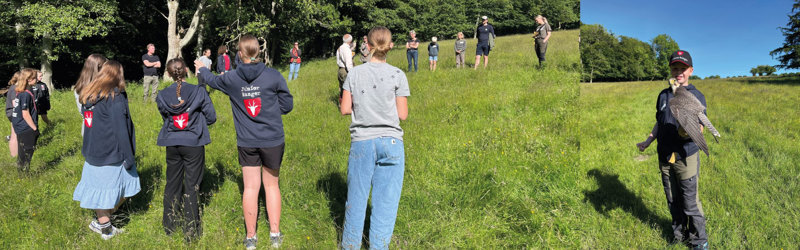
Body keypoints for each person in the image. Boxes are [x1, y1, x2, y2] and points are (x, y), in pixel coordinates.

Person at [195, 34, 293, 249]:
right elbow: (287, 106)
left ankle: (251, 238)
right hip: (272, 138)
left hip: (247, 140)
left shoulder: (231, 78)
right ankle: (275, 234)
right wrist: (268, 110)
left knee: (250, 187)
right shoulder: (273, 76)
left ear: (239, 54)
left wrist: (201, 68)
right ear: (258, 51)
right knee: (272, 185)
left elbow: (210, 80)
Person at [339, 26, 409, 250]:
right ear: (390, 46)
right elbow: (403, 114)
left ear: (366, 46)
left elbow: (344, 109)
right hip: (392, 142)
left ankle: (350, 246)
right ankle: (378, 246)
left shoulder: (355, 73)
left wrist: (365, 109)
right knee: (386, 202)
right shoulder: (398, 74)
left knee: (356, 200)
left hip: (362, 141)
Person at [636, 50, 708, 250]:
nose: (678, 72)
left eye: (683, 68)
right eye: (675, 68)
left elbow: (700, 127)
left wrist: (686, 131)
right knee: (672, 200)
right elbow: (659, 121)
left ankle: (699, 241)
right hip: (665, 155)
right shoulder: (663, 94)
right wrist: (649, 140)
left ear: (690, 71)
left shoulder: (696, 95)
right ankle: (679, 236)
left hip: (686, 156)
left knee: (690, 202)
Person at [73, 60, 140, 240]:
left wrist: (87, 148)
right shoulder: (115, 98)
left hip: (93, 152)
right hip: (111, 153)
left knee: (100, 190)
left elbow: (88, 125)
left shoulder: (88, 95)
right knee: (116, 189)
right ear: (118, 75)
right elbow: (121, 131)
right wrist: (128, 156)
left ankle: (103, 224)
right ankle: (105, 227)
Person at [156, 58, 216, 242]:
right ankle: (191, 231)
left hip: (172, 143)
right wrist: (195, 124)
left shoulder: (162, 95)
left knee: (172, 182)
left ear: (168, 73)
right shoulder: (198, 91)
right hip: (193, 142)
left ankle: (169, 226)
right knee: (192, 186)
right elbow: (211, 117)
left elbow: (165, 117)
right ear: (187, 71)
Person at [10, 68, 40, 172]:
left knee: (22, 152)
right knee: (28, 152)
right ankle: (25, 173)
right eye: (35, 77)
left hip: (20, 126)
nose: (37, 79)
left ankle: (20, 171)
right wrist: (34, 128)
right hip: (26, 128)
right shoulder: (26, 94)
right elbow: (25, 113)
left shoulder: (21, 92)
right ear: (29, 79)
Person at [74, 54, 108, 136]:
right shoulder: (104, 88)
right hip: (102, 132)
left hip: (87, 130)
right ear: (98, 69)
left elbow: (84, 114)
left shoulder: (78, 88)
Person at [336, 34, 355, 102]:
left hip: (340, 70)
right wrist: (352, 73)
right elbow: (348, 64)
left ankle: (341, 105)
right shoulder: (347, 49)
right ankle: (347, 106)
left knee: (341, 88)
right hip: (345, 70)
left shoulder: (340, 48)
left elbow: (338, 61)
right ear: (350, 41)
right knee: (348, 89)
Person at [5, 72, 20, 157]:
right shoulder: (14, 88)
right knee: (14, 135)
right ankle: (14, 155)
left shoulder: (13, 87)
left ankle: (16, 154)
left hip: (13, 112)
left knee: (15, 134)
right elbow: (15, 103)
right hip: (13, 113)